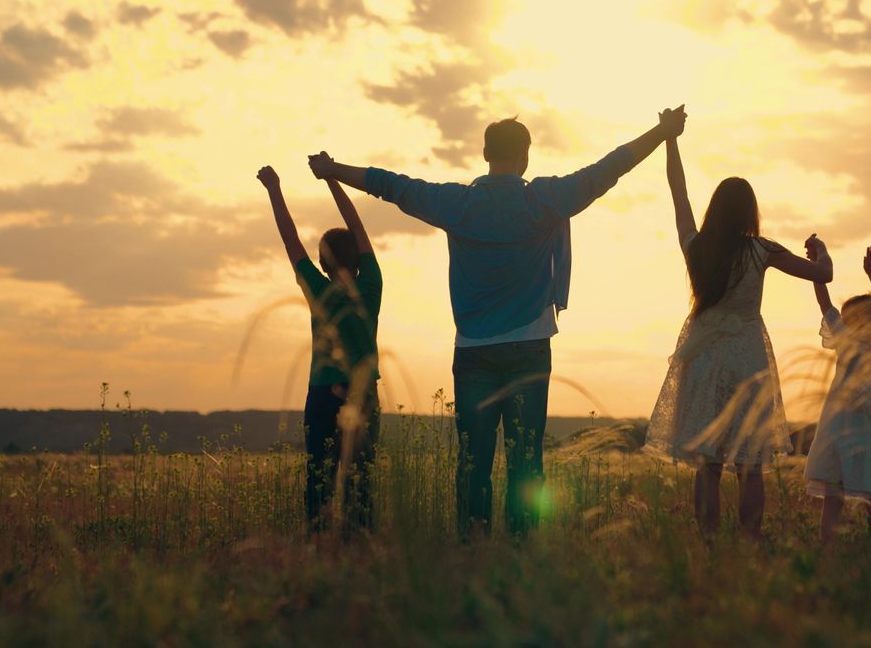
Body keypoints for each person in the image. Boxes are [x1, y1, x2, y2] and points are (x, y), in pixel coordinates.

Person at [307, 106, 688, 536]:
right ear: (525, 156)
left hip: (473, 352)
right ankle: (521, 549)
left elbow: (391, 186)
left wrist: (332, 169)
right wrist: (661, 131)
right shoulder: (544, 200)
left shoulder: (456, 203)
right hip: (529, 349)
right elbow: (610, 167)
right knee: (526, 460)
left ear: (485, 153)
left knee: (474, 463)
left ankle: (474, 544)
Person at [644, 133, 834, 540]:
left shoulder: (695, 245)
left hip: (704, 353)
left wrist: (670, 141)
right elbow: (823, 275)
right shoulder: (762, 250)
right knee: (750, 463)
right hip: (748, 356)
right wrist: (820, 250)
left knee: (708, 465)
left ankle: (709, 540)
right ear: (750, 212)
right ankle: (749, 540)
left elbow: (678, 192)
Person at [257, 164, 383, 534]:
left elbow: (290, 241)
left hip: (322, 394)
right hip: (363, 394)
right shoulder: (371, 285)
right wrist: (332, 179)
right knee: (361, 476)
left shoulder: (318, 288)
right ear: (359, 258)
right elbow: (358, 229)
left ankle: (317, 543)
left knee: (319, 477)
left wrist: (274, 189)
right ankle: (359, 546)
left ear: (322, 262)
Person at [802, 244, 871, 545]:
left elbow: (824, 303)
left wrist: (816, 269)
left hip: (842, 423)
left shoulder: (847, 340)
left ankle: (827, 548)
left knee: (832, 496)